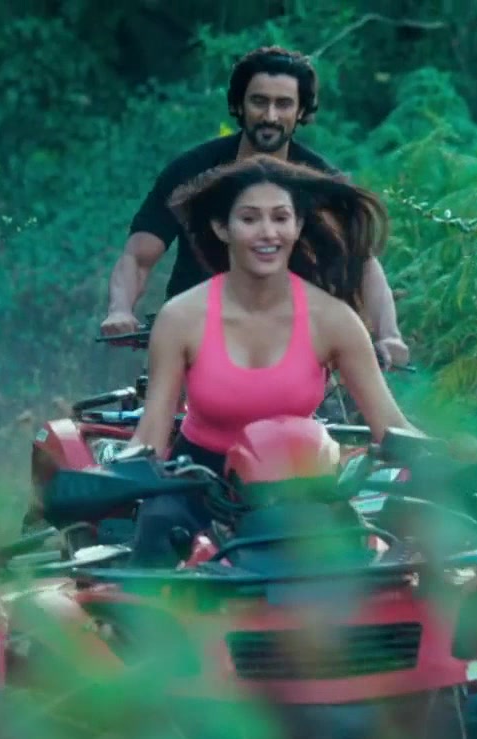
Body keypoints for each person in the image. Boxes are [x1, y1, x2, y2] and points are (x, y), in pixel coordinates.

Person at [117, 155, 422, 567]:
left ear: (298, 226)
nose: (267, 232)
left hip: (306, 490)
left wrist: (464, 459)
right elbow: (151, 435)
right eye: (249, 219)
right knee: (156, 534)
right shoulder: (181, 318)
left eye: (281, 218)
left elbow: (393, 429)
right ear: (222, 228)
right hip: (198, 483)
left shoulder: (334, 319)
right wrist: (107, 477)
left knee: (368, 567)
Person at [98, 45, 412, 370]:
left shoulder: (320, 184)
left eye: (284, 104)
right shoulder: (191, 171)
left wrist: (389, 335)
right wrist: (120, 309)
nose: (270, 116)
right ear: (239, 104)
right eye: (259, 101)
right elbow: (138, 256)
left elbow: (363, 264)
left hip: (291, 348)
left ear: (301, 111)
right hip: (193, 338)